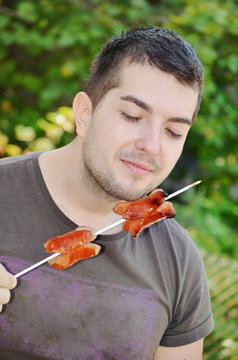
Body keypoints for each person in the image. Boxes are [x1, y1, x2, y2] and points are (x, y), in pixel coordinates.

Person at [0, 26, 213, 360]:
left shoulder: (179, 261)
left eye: (173, 132)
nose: (152, 146)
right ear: (85, 114)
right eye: (132, 116)